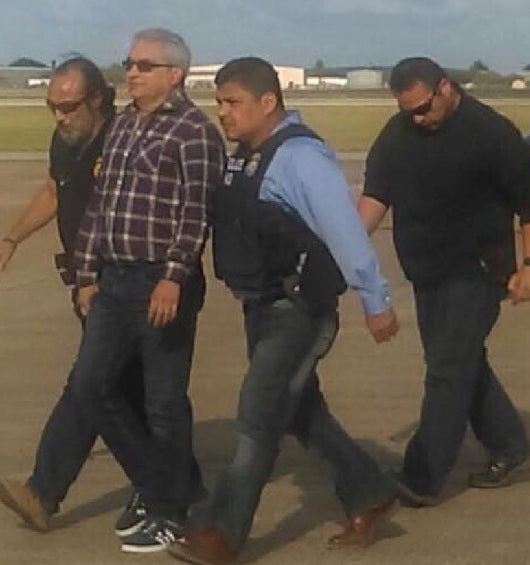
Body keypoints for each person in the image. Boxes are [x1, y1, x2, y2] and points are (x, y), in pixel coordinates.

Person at [168, 57, 399, 565]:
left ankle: (222, 533)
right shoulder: (244, 159)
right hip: (260, 305)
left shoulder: (300, 158)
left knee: (257, 416)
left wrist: (375, 300)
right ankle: (368, 490)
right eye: (218, 101)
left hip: (299, 310)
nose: (222, 112)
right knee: (300, 412)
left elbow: (344, 231)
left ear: (268, 102)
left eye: (233, 102)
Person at [358, 56, 530, 506]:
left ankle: (421, 477)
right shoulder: (397, 134)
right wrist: (342, 247)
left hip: (478, 270)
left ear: (445, 88)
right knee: (461, 363)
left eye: (423, 108)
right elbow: (375, 198)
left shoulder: (491, 132)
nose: (416, 118)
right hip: (426, 270)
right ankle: (510, 446)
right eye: (407, 110)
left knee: (446, 369)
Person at [69, 28, 225, 553]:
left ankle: (171, 511)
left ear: (174, 74)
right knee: (91, 386)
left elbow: (196, 214)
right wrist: (85, 274)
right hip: (113, 279)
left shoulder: (194, 133)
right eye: (129, 63)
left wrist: (173, 277)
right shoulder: (121, 125)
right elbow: (100, 204)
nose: (131, 72)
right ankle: (163, 488)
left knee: (162, 402)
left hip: (161, 280)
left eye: (144, 65)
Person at [0, 57, 153, 538]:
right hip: (87, 287)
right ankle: (170, 481)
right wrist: (12, 237)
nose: (59, 117)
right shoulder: (65, 143)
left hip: (120, 285)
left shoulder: (125, 140)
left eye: (68, 107)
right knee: (117, 390)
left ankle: (46, 491)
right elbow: (54, 192)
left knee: (93, 385)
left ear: (97, 99)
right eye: (52, 108)